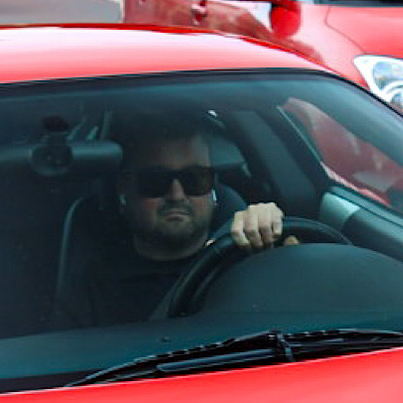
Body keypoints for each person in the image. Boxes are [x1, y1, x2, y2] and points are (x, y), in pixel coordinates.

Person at [61, 113, 288, 322]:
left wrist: (282, 242)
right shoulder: (94, 283)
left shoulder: (246, 257)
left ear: (213, 187)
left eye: (194, 178)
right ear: (124, 190)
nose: (176, 195)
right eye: (156, 181)